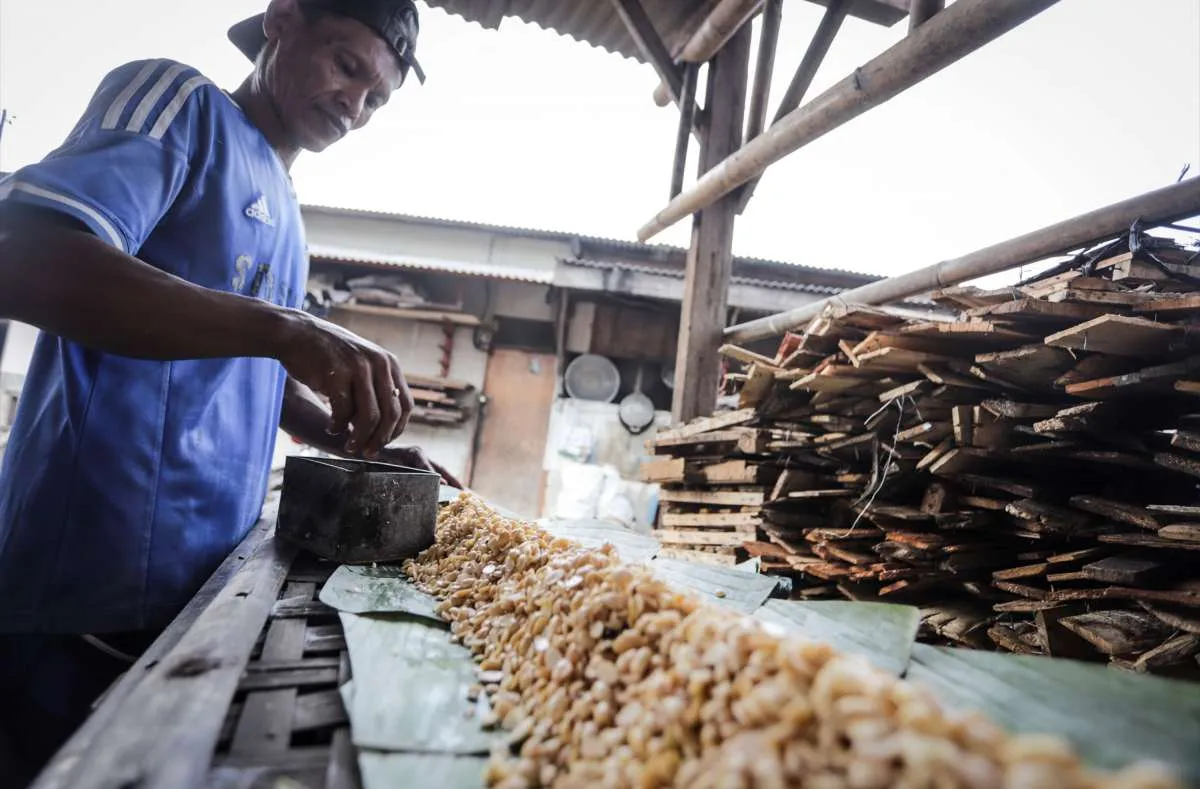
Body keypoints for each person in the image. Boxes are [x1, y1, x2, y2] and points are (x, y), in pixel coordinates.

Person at [0, 0, 459, 783]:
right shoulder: (178, 105)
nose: (355, 104)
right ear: (283, 21)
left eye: (376, 97)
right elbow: (25, 255)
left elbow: (242, 359)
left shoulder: (283, 206)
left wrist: (344, 439)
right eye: (347, 66)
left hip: (193, 593)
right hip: (76, 589)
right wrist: (288, 329)